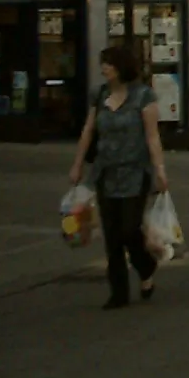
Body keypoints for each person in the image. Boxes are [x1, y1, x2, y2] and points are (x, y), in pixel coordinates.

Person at [69, 43, 168, 310]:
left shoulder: (143, 97)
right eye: (103, 63)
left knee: (130, 229)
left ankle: (146, 266)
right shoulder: (100, 95)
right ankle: (118, 292)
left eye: (109, 63)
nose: (104, 68)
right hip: (105, 171)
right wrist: (78, 164)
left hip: (136, 171)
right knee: (112, 235)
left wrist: (160, 170)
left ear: (122, 67)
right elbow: (88, 130)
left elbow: (152, 136)